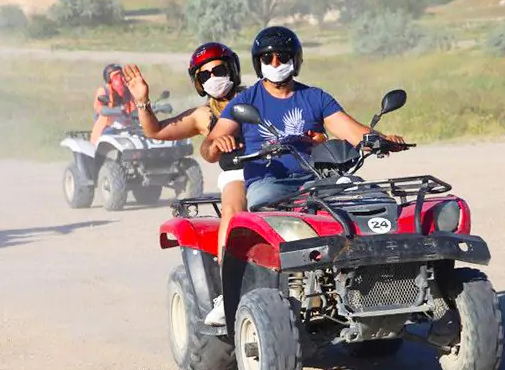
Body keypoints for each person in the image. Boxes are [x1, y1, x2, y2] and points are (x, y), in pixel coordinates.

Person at [200, 26, 405, 326]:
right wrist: (216, 143)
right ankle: (276, 290)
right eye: (267, 58)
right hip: (269, 184)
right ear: (258, 63)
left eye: (281, 56)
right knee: (273, 217)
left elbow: (351, 130)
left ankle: (381, 282)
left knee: (368, 199)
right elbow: (208, 147)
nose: (274, 63)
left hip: (316, 180)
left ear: (295, 59)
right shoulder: (247, 102)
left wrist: (381, 139)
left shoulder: (314, 97)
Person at [122, 42, 260, 324]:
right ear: (198, 83)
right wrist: (142, 101)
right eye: (204, 76)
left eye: (218, 70)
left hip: (278, 167)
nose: (213, 78)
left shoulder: (258, 97)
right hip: (238, 174)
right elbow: (156, 131)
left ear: (232, 69)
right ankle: (228, 292)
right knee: (233, 212)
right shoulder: (203, 116)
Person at [90, 63, 136, 145]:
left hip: (126, 125)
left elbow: (136, 107)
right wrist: (118, 110)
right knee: (110, 134)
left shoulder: (128, 92)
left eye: (121, 75)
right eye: (116, 76)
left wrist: (154, 108)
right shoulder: (104, 91)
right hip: (108, 126)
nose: (120, 79)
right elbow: (101, 109)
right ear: (108, 79)